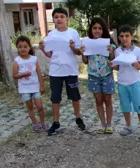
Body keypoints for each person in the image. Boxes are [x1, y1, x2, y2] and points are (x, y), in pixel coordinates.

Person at [39, 7, 86, 136]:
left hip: (70, 70)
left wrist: (73, 47)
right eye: (56, 17)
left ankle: (78, 118)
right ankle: (56, 122)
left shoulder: (73, 33)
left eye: (61, 16)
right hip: (55, 72)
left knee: (75, 96)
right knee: (55, 98)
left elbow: (78, 52)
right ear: (53, 20)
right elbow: (49, 54)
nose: (59, 19)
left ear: (67, 19)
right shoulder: (51, 35)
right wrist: (43, 49)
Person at [81, 17, 117, 134]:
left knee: (108, 100)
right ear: (91, 29)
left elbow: (113, 60)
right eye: (94, 28)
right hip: (93, 76)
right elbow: (85, 61)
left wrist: (111, 53)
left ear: (104, 30)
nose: (97, 30)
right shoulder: (87, 43)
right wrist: (82, 53)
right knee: (98, 101)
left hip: (107, 75)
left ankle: (109, 124)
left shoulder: (109, 44)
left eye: (100, 28)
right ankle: (102, 124)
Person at [113, 24, 140, 140]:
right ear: (119, 38)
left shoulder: (137, 50)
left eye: (127, 36)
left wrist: (137, 65)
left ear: (132, 36)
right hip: (122, 83)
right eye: (121, 36)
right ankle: (128, 126)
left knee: (139, 105)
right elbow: (118, 67)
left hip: (134, 82)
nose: (124, 38)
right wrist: (112, 66)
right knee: (125, 106)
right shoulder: (117, 51)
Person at [13, 35, 48, 132]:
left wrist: (41, 86)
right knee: (30, 107)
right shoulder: (16, 61)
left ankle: (43, 123)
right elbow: (15, 75)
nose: (23, 49)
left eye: (25, 46)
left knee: (40, 107)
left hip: (35, 87)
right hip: (24, 89)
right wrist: (22, 75)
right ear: (17, 48)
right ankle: (35, 123)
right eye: (20, 47)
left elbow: (39, 74)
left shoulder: (34, 59)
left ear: (29, 47)